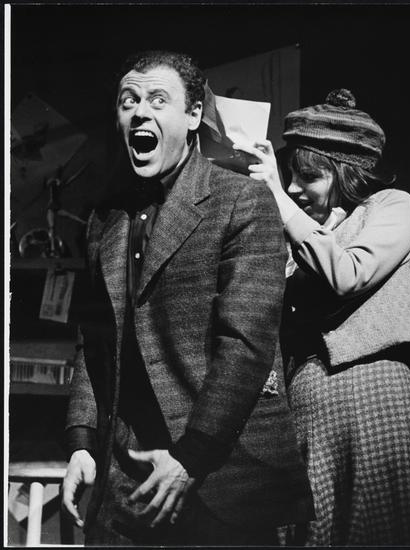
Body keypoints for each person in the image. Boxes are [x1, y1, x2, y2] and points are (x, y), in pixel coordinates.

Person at [61, 50, 314, 546]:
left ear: (194, 115)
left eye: (158, 100)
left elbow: (246, 344)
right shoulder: (104, 219)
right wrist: (83, 442)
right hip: (125, 477)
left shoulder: (242, 201)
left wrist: (192, 455)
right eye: (128, 101)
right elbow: (93, 341)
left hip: (219, 476)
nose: (140, 112)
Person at [234, 88, 410, 546]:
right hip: (307, 405)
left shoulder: (392, 206)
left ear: (346, 171)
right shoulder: (303, 232)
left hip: (371, 397)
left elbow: (348, 274)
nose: (294, 188)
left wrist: (280, 201)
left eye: (308, 176)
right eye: (290, 176)